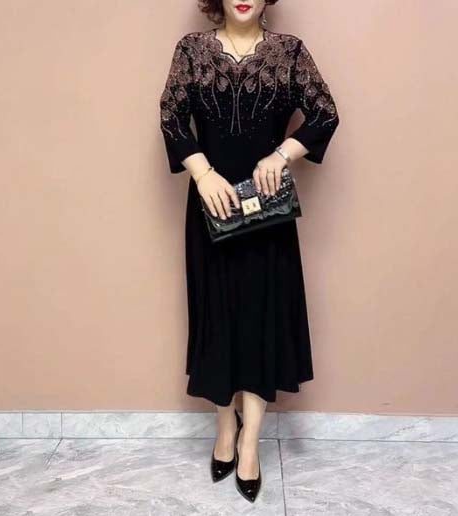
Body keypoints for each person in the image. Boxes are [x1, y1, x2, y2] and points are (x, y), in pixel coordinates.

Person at [159, 0, 339, 503]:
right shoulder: (192, 50)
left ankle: (250, 442)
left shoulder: (289, 52)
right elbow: (171, 117)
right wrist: (202, 173)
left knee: (261, 319)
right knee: (216, 317)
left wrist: (282, 154)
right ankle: (225, 426)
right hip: (211, 207)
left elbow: (325, 114)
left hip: (268, 214)